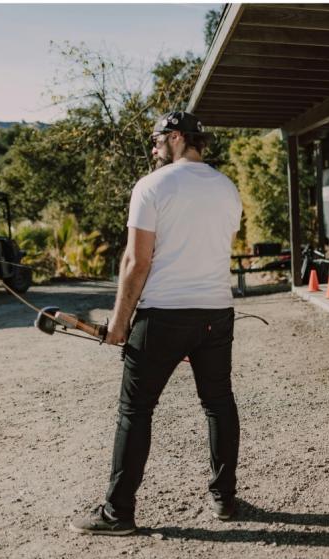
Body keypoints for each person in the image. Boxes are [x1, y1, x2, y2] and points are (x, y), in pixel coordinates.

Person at [70, 111, 243, 535]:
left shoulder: (152, 185)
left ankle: (118, 514)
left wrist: (119, 322)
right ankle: (224, 498)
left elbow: (136, 260)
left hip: (163, 313)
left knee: (135, 410)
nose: (153, 146)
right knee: (218, 403)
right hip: (216, 313)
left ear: (177, 137)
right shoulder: (227, 187)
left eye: (156, 138)